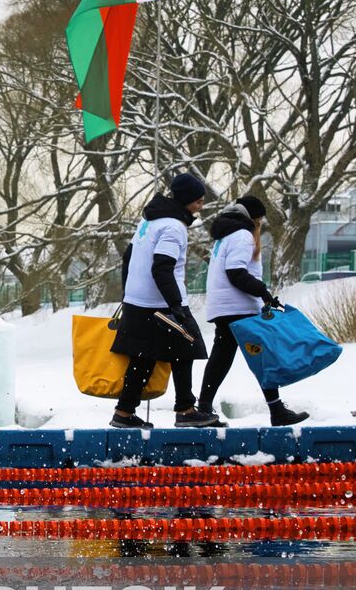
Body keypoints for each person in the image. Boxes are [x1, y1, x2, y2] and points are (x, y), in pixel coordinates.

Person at [110, 173, 220, 429]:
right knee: (186, 348)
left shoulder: (148, 222)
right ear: (185, 200)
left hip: (139, 301)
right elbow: (162, 268)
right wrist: (176, 307)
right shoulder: (173, 227)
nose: (200, 206)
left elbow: (129, 256)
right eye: (197, 201)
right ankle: (185, 410)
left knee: (143, 357)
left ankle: (124, 413)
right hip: (160, 303)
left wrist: (128, 294)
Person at [196, 196, 310, 426]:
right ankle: (276, 411)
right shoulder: (242, 235)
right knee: (261, 356)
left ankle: (204, 408)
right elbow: (236, 273)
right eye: (259, 220)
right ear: (254, 218)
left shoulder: (227, 234)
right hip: (238, 306)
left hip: (226, 306)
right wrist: (263, 292)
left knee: (223, 357)